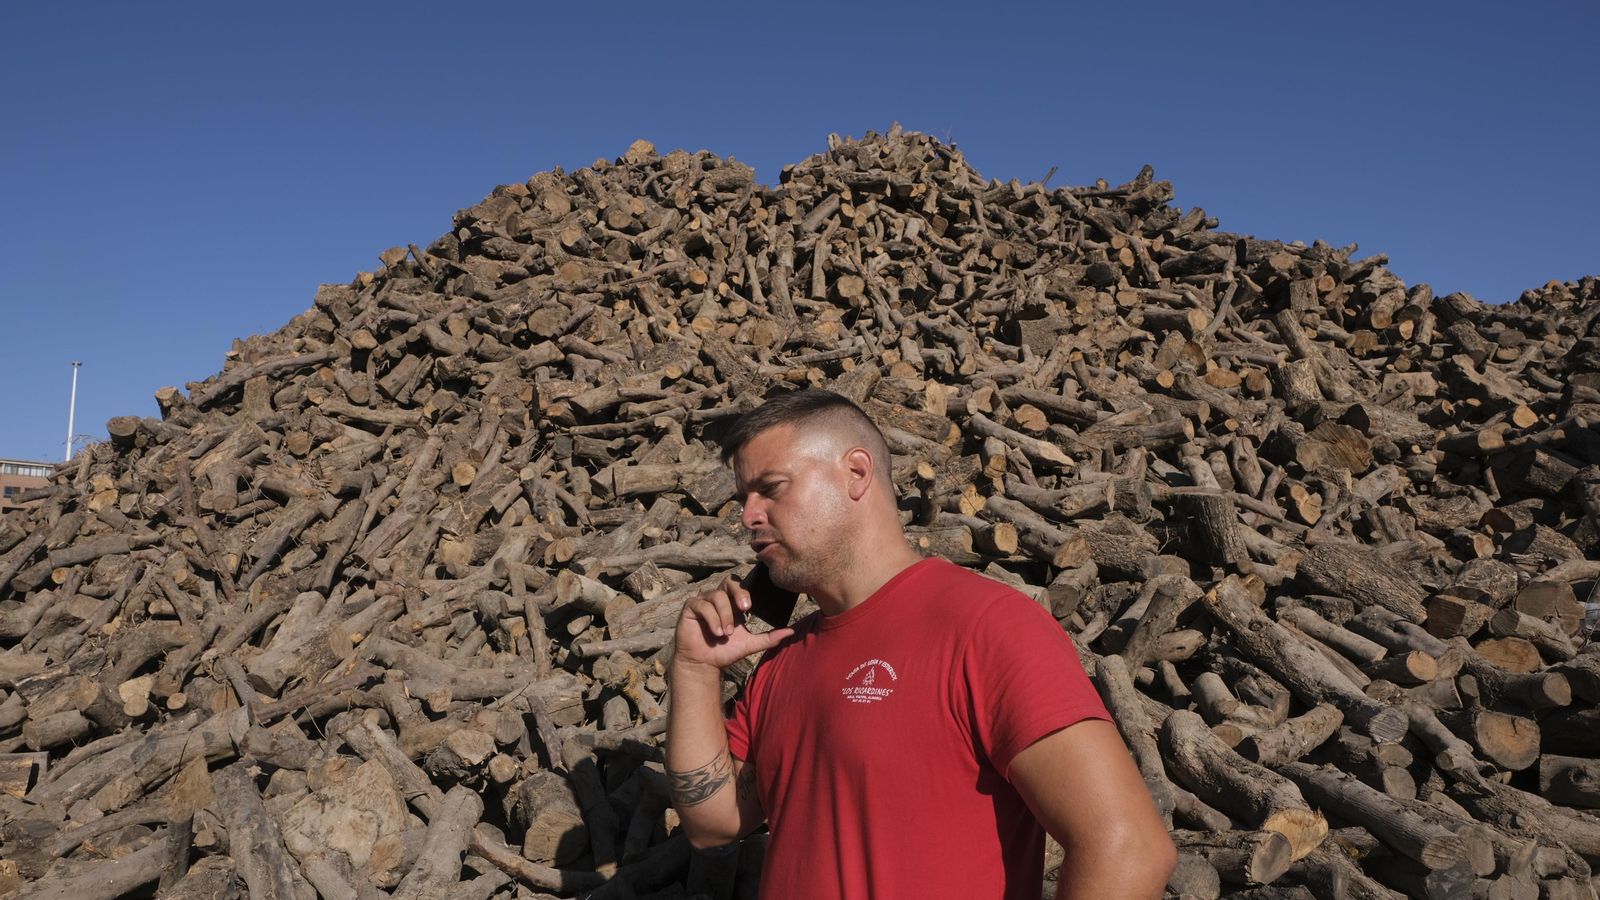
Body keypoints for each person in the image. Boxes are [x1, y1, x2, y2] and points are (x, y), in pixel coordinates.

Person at [665, 389, 1177, 899]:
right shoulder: (782, 658)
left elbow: (1128, 848)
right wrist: (692, 668)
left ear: (856, 473)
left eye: (770, 488)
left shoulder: (986, 626)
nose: (748, 516)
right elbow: (714, 822)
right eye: (742, 499)